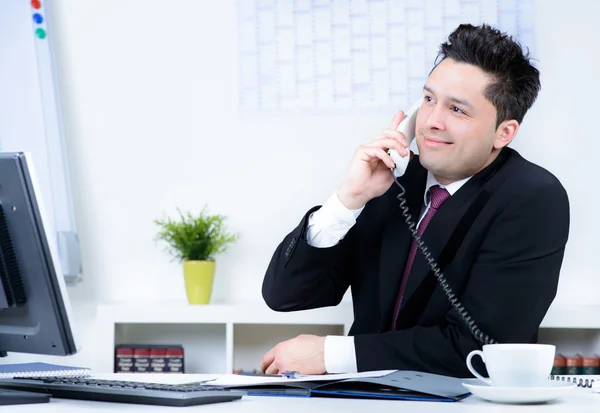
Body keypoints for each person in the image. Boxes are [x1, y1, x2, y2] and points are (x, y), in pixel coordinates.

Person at [260, 23, 570, 378]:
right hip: (359, 400)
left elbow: (483, 348)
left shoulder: (532, 198)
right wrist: (348, 200)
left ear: (504, 132)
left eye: (457, 110)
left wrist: (332, 355)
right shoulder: (391, 178)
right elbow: (284, 295)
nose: (431, 121)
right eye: (428, 99)